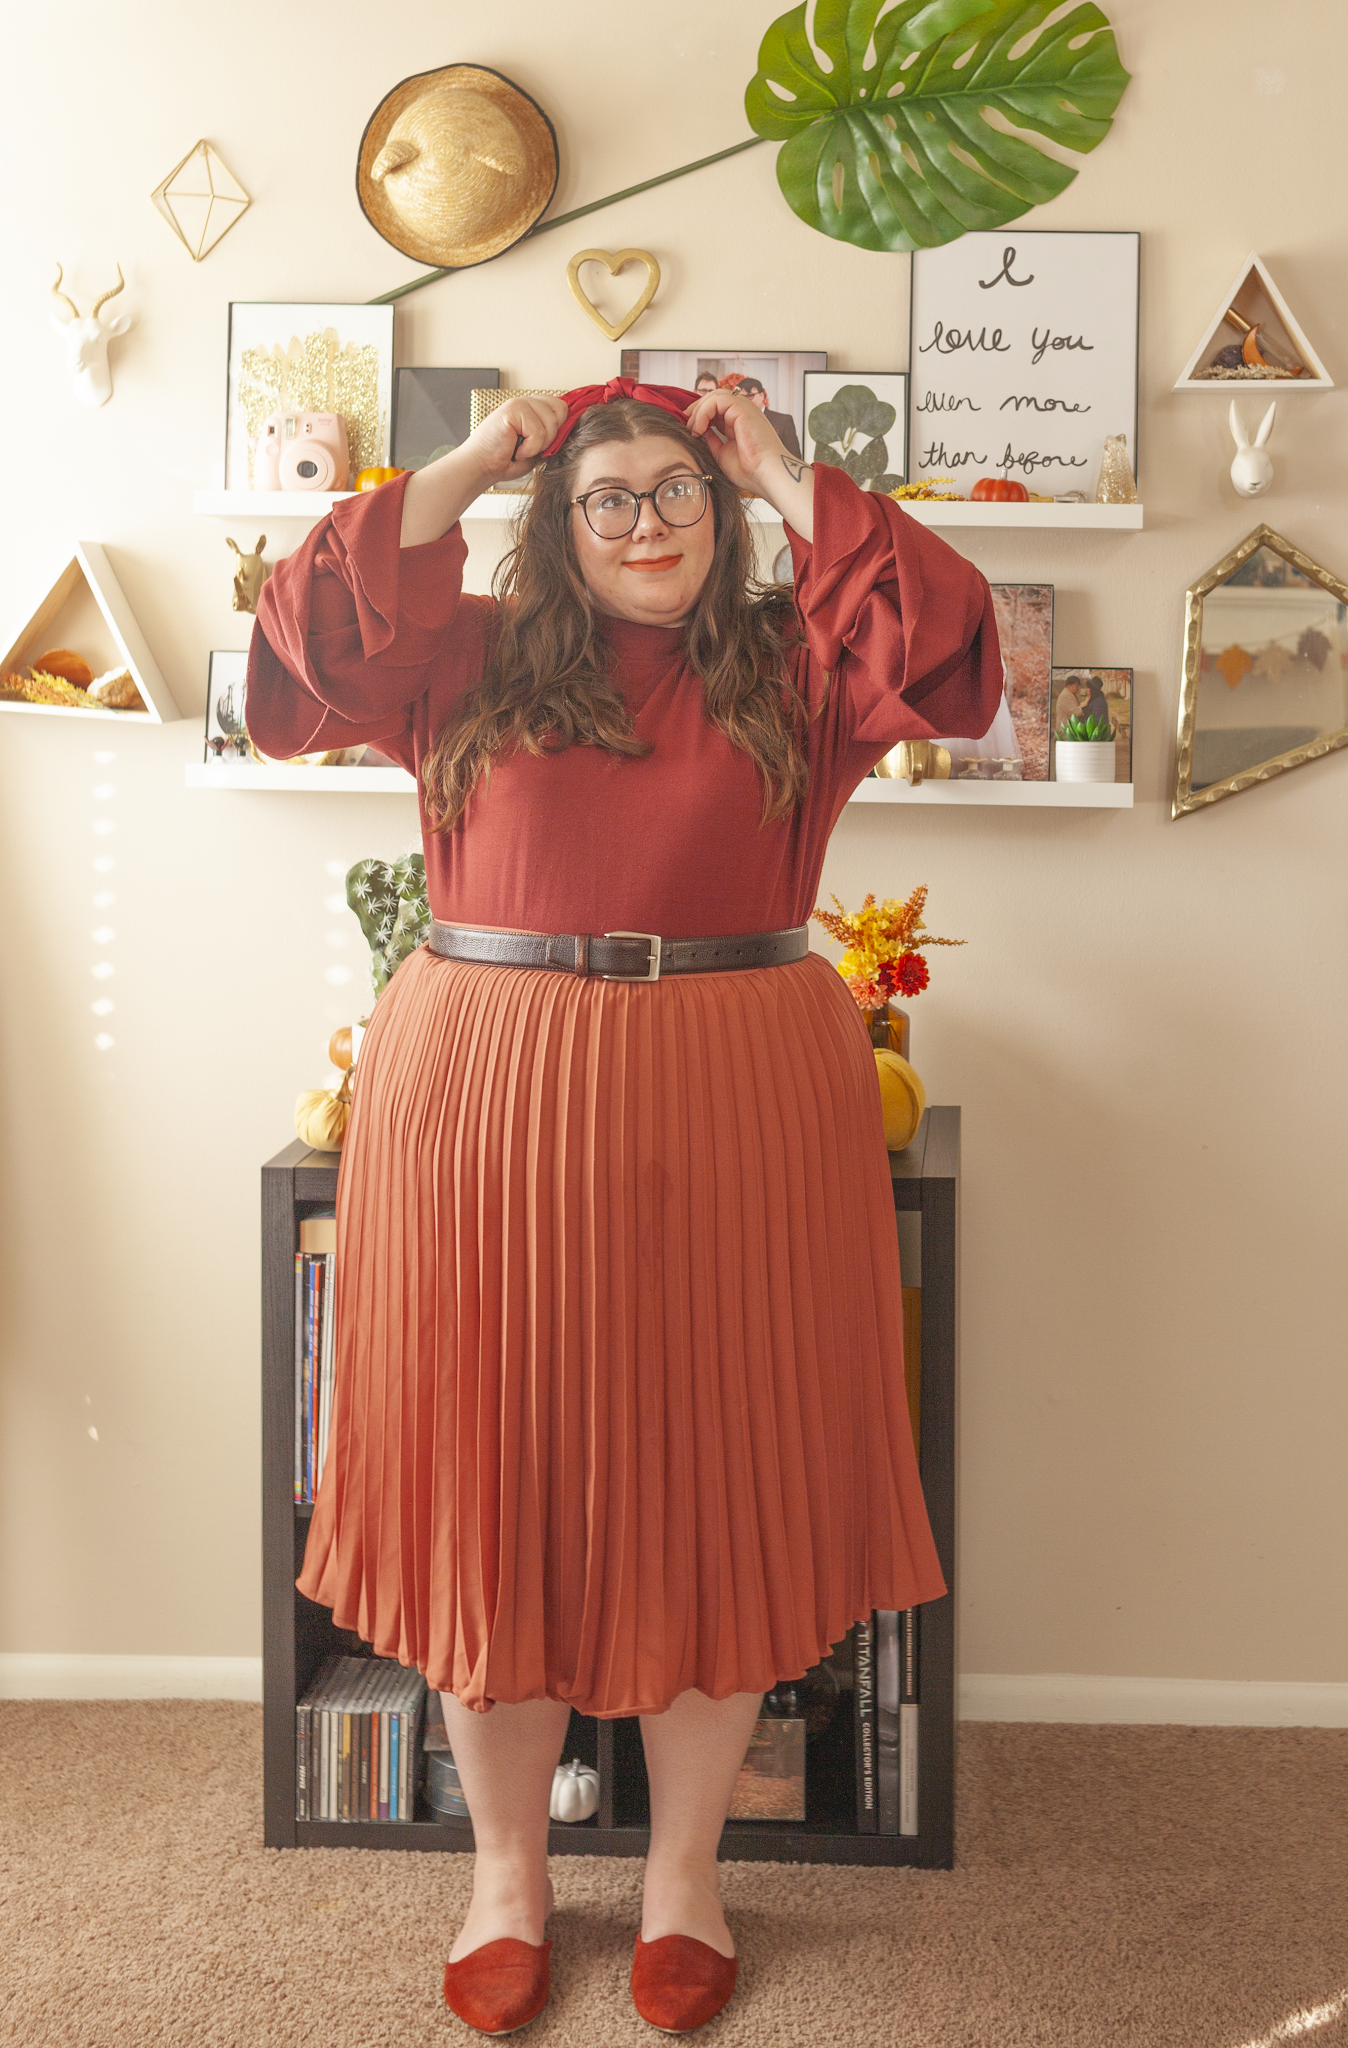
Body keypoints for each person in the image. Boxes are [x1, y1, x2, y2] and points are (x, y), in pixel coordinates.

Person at [246, 376, 1000, 2036]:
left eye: (681, 491)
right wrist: (472, 454)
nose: (650, 521)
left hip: (741, 1100)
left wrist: (786, 468)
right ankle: (505, 1872)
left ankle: (683, 1875)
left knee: (720, 1477)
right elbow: (303, 627)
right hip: (483, 1100)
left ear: (723, 514)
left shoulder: (803, 671)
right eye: (610, 496)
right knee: (486, 1482)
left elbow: (947, 637)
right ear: (555, 524)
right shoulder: (452, 665)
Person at [734, 374, 801, 460]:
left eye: (750, 396)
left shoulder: (782, 421)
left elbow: (795, 457)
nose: (745, 400)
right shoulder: (736, 421)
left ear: (762, 395)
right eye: (741, 397)